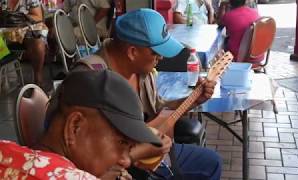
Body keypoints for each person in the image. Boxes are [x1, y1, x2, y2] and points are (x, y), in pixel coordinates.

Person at [74, 8, 222, 179]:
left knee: (212, 161)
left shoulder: (141, 71)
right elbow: (87, 154)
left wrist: (193, 99)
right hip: (113, 168)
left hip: (147, 156)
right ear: (132, 52)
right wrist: (136, 154)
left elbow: (158, 108)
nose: (161, 58)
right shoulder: (91, 79)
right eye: (156, 52)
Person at [0, 70, 163, 179]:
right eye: (122, 142)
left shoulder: (5, 150)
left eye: (129, 149)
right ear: (74, 126)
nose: (126, 161)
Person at [6, 0, 48, 86]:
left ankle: (38, 78)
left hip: (25, 29)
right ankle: (6, 71)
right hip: (5, 33)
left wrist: (20, 17)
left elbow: (38, 16)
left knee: (37, 42)